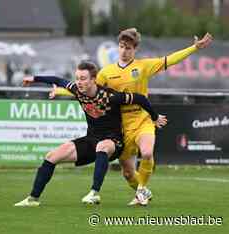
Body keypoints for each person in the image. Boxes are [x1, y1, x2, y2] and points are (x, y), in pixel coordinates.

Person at [52, 29, 213, 206]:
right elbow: (87, 89)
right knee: (128, 173)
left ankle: (141, 192)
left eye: (128, 48)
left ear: (135, 49)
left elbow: (170, 60)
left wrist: (194, 48)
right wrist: (60, 90)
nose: (123, 51)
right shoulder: (106, 72)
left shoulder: (143, 66)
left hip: (142, 119)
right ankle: (142, 191)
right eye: (121, 46)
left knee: (146, 152)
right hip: (121, 126)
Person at [14, 61, 167, 207]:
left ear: (93, 79)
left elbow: (140, 98)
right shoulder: (77, 91)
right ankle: (33, 199)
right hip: (91, 139)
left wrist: (154, 117)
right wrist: (33, 78)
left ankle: (94, 193)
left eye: (83, 78)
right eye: (77, 78)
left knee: (102, 147)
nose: (79, 82)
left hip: (114, 141)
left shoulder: (110, 96)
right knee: (51, 156)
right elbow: (57, 79)